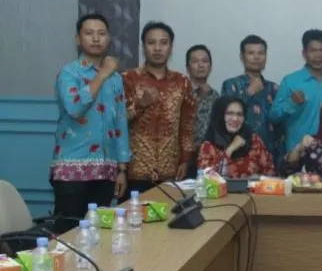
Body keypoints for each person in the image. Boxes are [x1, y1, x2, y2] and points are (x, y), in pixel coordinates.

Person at [50, 13, 131, 233]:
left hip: (106, 171)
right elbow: (75, 108)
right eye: (89, 33)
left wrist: (122, 168)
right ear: (78, 39)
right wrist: (102, 74)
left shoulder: (116, 79)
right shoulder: (69, 73)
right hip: (72, 171)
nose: (96, 38)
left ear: (108, 38)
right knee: (68, 235)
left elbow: (120, 124)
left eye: (101, 33)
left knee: (99, 235)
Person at [122, 22, 196, 198]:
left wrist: (185, 159)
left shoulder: (182, 82)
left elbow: (187, 126)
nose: (157, 48)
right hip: (135, 170)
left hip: (171, 170)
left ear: (171, 48)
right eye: (151, 43)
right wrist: (139, 105)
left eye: (163, 43)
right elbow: (117, 123)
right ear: (143, 47)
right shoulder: (128, 79)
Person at [269, 29, 322, 153]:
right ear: (304, 53)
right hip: (299, 151)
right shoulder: (290, 81)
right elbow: (273, 117)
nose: (318, 55)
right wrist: (291, 103)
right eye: (313, 50)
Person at [221, 35, 281, 163]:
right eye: (251, 53)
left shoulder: (274, 88)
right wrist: (249, 92)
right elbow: (225, 116)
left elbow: (280, 125)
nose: (256, 57)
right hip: (239, 154)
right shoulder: (230, 85)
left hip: (269, 156)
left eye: (261, 53)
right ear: (242, 57)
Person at [197, 96, 276, 178]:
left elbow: (270, 173)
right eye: (229, 113)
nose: (235, 119)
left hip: (252, 187)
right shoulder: (208, 145)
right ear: (219, 115)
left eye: (239, 114)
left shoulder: (253, 140)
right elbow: (205, 178)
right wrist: (230, 149)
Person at [186, 44, 218, 149]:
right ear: (187, 68)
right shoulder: (181, 92)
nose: (200, 65)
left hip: (209, 153)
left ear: (210, 67)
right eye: (195, 61)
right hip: (184, 153)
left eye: (205, 61)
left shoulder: (215, 96)